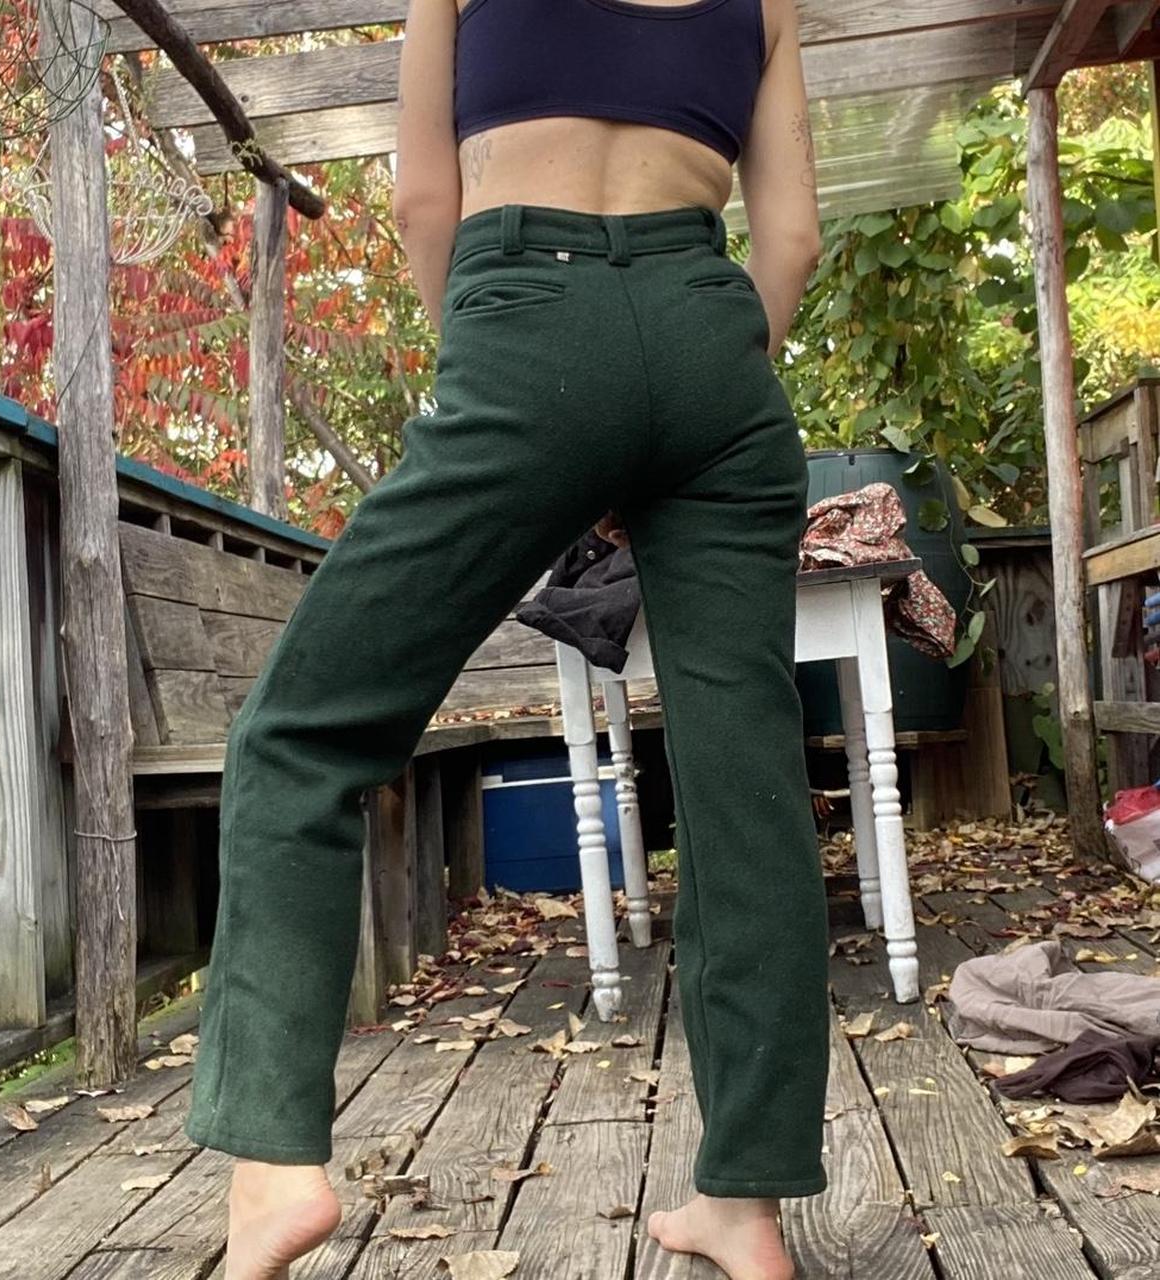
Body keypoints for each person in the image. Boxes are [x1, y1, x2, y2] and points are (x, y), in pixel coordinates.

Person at [183, 1, 826, 1277]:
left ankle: (272, 1166)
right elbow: (792, 239)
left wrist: (527, 389)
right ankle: (744, 1201)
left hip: (526, 310)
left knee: (303, 733)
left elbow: (426, 202)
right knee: (744, 789)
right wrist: (681, 373)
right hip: (714, 341)